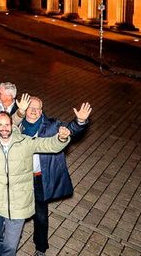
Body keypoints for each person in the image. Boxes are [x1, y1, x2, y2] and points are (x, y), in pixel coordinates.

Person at [0, 111, 72, 256]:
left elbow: (48, 145)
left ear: (12, 125)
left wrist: (61, 138)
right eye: (0, 125)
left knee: (10, 245)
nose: (4, 128)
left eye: (7, 124)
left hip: (18, 204)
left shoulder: (24, 142)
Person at [18, 98, 91, 256]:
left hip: (38, 178)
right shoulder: (17, 123)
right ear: (24, 107)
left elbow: (69, 129)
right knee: (17, 211)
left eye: (38, 108)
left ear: (42, 109)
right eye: (30, 107)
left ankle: (41, 247)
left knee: (41, 216)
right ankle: (14, 237)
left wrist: (79, 121)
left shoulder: (51, 125)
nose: (34, 111)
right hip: (20, 177)